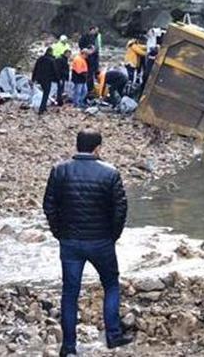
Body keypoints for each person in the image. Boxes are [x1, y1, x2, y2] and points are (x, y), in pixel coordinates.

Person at [43, 130, 132, 357]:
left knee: (70, 293)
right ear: (97, 148)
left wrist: (58, 232)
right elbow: (120, 208)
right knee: (110, 284)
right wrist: (113, 235)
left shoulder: (59, 170)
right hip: (101, 240)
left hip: (70, 242)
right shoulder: (110, 173)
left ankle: (69, 348)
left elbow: (49, 205)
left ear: (78, 145)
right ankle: (113, 336)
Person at [32, 47, 58, 115]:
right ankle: (42, 109)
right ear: (51, 52)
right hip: (47, 79)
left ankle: (44, 107)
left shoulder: (40, 59)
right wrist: (57, 79)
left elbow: (35, 68)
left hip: (39, 78)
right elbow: (55, 71)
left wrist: (33, 78)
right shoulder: (51, 60)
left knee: (45, 92)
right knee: (46, 93)